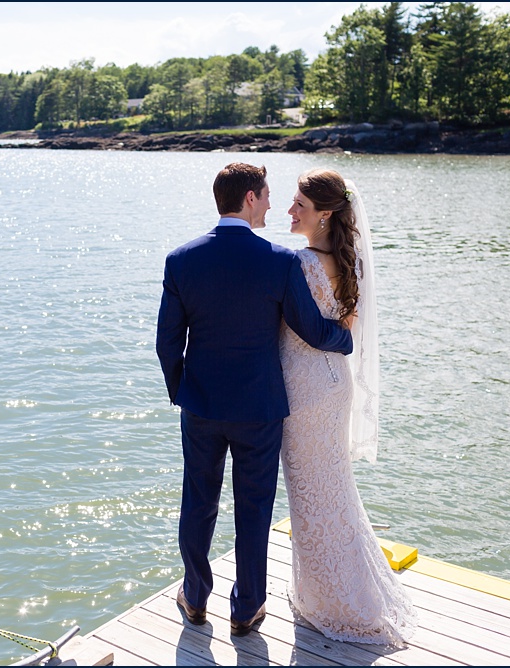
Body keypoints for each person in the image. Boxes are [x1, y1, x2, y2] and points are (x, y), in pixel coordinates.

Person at [155, 162, 353, 637]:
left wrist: (183, 391)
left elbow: (167, 343)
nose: (270, 203)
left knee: (198, 502)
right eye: (265, 195)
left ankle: (196, 597)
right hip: (260, 408)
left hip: (200, 404)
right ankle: (246, 609)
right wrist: (345, 338)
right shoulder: (279, 261)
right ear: (248, 198)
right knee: (254, 509)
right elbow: (309, 329)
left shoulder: (181, 259)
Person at [280, 167, 417, 644]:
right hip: (335, 384)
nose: (290, 209)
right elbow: (347, 328)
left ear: (323, 215)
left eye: (299, 203)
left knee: (309, 493)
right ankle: (339, 590)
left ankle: (330, 600)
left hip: (304, 390)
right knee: (333, 488)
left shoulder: (298, 264)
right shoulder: (350, 261)